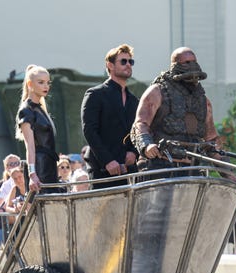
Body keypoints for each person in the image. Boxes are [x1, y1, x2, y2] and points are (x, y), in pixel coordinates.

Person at [131, 47, 219, 171]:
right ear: (174, 65)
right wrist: (147, 145)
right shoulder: (157, 92)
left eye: (194, 62)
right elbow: (140, 124)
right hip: (159, 165)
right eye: (186, 62)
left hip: (192, 168)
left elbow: (211, 139)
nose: (191, 66)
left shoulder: (203, 101)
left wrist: (230, 175)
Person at [81, 44, 139, 186]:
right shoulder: (95, 94)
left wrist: (134, 153)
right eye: (123, 61)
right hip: (102, 170)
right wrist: (107, 160)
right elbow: (89, 130)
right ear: (110, 65)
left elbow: (138, 130)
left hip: (129, 171)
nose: (128, 65)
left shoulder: (134, 100)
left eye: (130, 62)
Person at [17, 64, 59, 190]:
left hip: (49, 165)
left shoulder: (40, 109)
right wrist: (32, 174)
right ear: (30, 84)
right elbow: (29, 146)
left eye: (47, 82)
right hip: (39, 168)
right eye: (41, 82)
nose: (46, 86)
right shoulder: (26, 110)